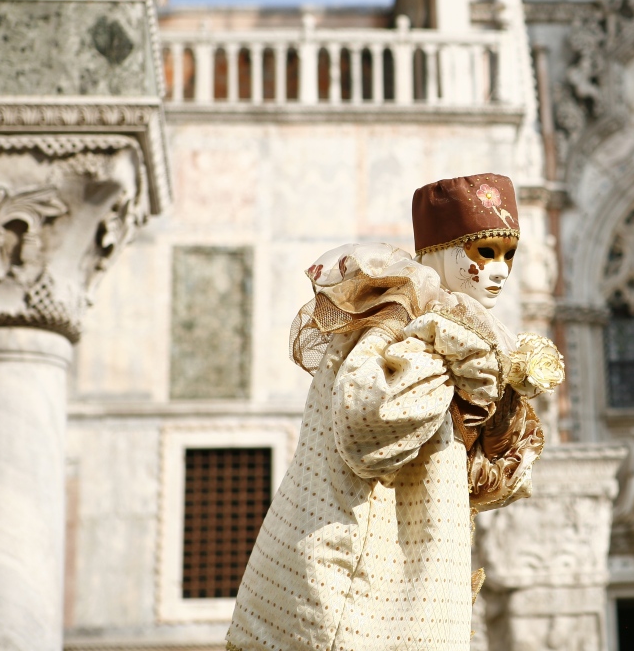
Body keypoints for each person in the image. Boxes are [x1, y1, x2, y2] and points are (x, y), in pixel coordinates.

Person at [225, 173, 563, 651]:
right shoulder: (395, 324)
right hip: (363, 569)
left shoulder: (447, 328)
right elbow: (370, 431)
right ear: (444, 250)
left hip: (423, 564)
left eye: (509, 255)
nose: (500, 271)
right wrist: (454, 361)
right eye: (484, 253)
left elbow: (491, 476)